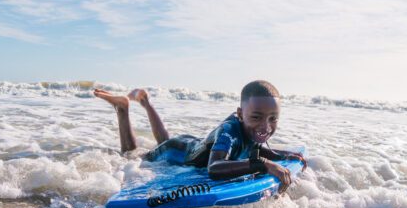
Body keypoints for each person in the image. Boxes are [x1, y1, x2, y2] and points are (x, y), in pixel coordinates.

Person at [93, 80, 306, 191]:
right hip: (176, 152)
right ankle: (122, 108)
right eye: (257, 117)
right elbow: (214, 169)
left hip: (187, 145)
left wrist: (283, 155)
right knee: (131, 157)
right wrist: (264, 165)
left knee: (166, 141)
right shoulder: (228, 132)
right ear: (240, 114)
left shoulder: (249, 128)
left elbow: (254, 147)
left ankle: (146, 102)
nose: (265, 126)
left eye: (273, 119)